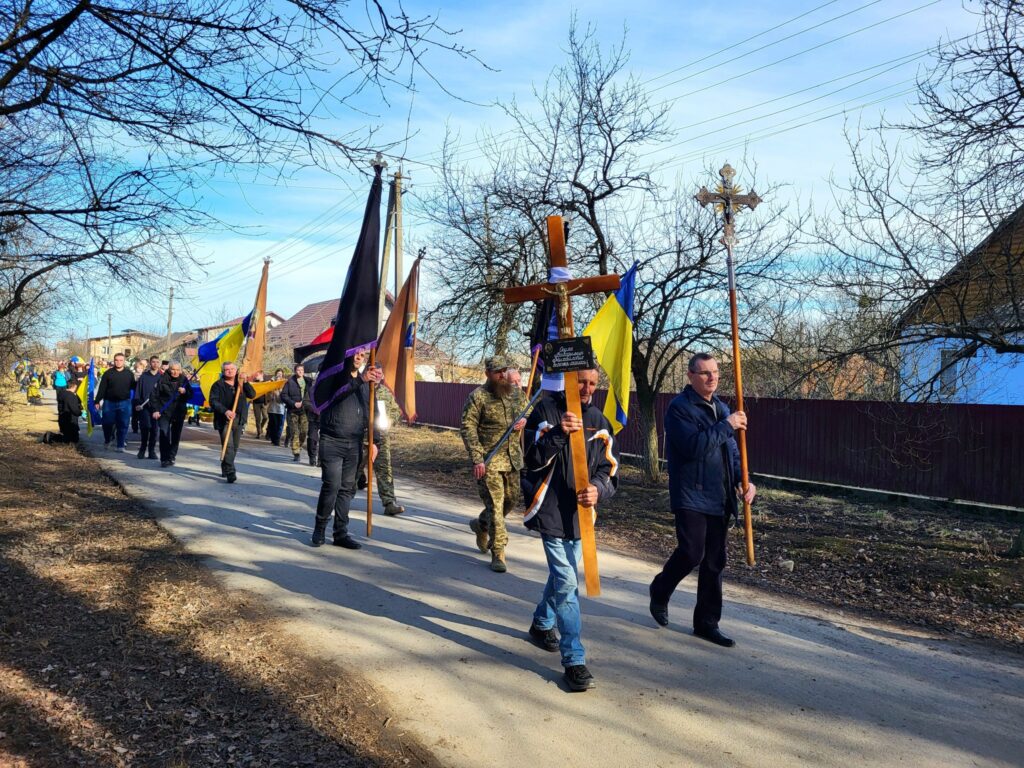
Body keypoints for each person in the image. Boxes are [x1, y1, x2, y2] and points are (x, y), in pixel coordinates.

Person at [648, 353, 757, 648]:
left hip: (719, 496)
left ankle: (707, 623)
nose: (712, 378)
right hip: (691, 494)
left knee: (714, 561)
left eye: (716, 372)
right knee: (692, 552)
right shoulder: (679, 409)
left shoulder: (722, 408)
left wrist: (742, 481)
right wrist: (727, 426)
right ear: (691, 376)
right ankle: (661, 588)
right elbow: (693, 447)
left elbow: (731, 453)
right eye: (705, 373)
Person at [522, 368, 618, 692]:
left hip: (581, 517)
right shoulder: (546, 411)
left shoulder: (600, 422)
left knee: (560, 577)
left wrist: (598, 489)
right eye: (582, 381)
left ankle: (541, 623)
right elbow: (532, 460)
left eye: (592, 383)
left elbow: (609, 471)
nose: (588, 388)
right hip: (550, 511)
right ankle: (574, 660)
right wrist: (559, 432)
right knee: (566, 584)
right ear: (568, 380)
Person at [459, 356, 527, 573]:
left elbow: (530, 412)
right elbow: (468, 428)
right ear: (488, 373)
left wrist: (525, 421)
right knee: (496, 507)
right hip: (489, 461)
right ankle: (498, 551)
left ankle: (481, 525)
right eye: (497, 372)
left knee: (511, 501)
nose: (501, 375)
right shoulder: (478, 397)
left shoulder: (516, 394)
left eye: (504, 371)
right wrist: (477, 458)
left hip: (513, 459)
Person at [311, 351, 383, 550]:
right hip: (332, 440)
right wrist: (360, 379)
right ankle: (320, 528)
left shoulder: (367, 383)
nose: (359, 357)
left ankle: (340, 533)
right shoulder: (334, 376)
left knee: (347, 489)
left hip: (355, 443)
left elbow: (373, 412)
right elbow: (336, 396)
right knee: (331, 486)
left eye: (363, 354)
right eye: (356, 353)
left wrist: (375, 441)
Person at [357, 384, 405, 516]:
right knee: (354, 469)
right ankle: (341, 499)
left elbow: (396, 411)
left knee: (384, 470)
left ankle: (389, 503)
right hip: (361, 437)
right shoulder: (360, 387)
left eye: (379, 373)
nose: (377, 375)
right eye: (374, 372)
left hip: (381, 438)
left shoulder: (385, 392)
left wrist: (390, 420)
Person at [209, 362, 255, 483]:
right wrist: (226, 411)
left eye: (232, 369)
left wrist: (245, 382)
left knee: (234, 446)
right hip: (224, 420)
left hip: (239, 419)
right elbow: (213, 401)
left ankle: (225, 467)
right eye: (227, 369)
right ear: (223, 371)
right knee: (228, 446)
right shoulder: (218, 385)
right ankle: (230, 472)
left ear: (236, 370)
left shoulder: (240, 382)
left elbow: (252, 394)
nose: (230, 371)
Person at [150, 362, 194, 467]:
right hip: (164, 412)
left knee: (175, 436)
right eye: (173, 369)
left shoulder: (184, 380)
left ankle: (171, 456)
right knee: (164, 434)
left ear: (180, 370)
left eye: (177, 370)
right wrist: (155, 410)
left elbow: (191, 395)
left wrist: (185, 392)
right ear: (169, 370)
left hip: (178, 412)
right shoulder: (162, 379)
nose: (175, 372)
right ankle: (164, 458)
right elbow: (154, 396)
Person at [95, 353, 134, 451]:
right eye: (116, 360)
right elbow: (102, 388)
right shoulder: (108, 373)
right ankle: (108, 439)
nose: (118, 362)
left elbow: (134, 388)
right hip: (109, 403)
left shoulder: (129, 374)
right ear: (113, 360)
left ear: (124, 361)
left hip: (125, 403)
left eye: (121, 360)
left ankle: (120, 445)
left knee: (123, 424)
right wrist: (97, 401)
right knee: (107, 423)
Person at [133, 356, 162, 459]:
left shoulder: (161, 377)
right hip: (144, 407)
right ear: (150, 363)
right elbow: (138, 392)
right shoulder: (144, 377)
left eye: (157, 362)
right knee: (145, 428)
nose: (155, 364)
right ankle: (142, 449)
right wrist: (137, 403)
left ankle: (151, 451)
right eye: (153, 362)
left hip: (156, 409)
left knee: (154, 430)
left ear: (159, 364)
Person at [281, 364, 310, 462]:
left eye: (302, 370)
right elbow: (283, 396)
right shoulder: (290, 382)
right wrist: (293, 403)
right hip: (292, 411)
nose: (300, 371)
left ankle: (299, 446)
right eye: (298, 370)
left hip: (304, 410)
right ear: (295, 371)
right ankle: (296, 452)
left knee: (304, 431)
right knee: (295, 432)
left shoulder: (308, 381)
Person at [302, 376, 320, 467]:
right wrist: (314, 409)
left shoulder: (329, 390)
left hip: (325, 419)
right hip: (313, 418)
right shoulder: (311, 390)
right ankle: (312, 457)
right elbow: (305, 402)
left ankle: (321, 459)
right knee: (312, 438)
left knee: (325, 440)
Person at [266, 368, 286, 446]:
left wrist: (279, 391)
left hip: (281, 408)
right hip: (272, 408)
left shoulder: (284, 384)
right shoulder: (271, 384)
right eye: (278, 374)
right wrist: (272, 391)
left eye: (280, 374)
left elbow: (284, 396)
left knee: (280, 424)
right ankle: (274, 439)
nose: (279, 375)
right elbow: (268, 396)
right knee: (273, 424)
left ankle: (277, 439)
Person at [250, 371, 268, 439]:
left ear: (262, 374)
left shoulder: (266, 382)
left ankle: (261, 427)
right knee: (258, 419)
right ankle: (259, 433)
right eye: (256, 374)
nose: (256, 376)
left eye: (258, 374)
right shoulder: (255, 382)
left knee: (265, 417)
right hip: (256, 403)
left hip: (264, 402)